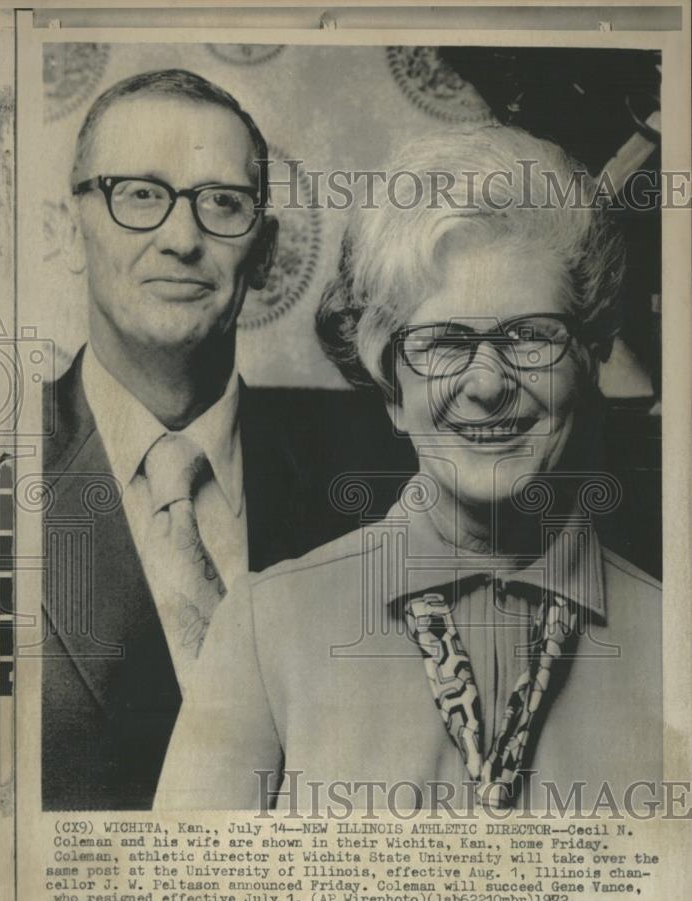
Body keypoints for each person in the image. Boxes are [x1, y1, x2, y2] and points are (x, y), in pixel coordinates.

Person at [158, 125, 662, 812]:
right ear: (392, 389)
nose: (486, 384)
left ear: (591, 354)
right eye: (443, 342)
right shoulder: (264, 629)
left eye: (529, 336)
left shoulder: (677, 640)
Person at [40, 69, 410, 811]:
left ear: (264, 253)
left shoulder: (383, 462)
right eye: (139, 194)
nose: (182, 238)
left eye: (222, 203)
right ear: (67, 230)